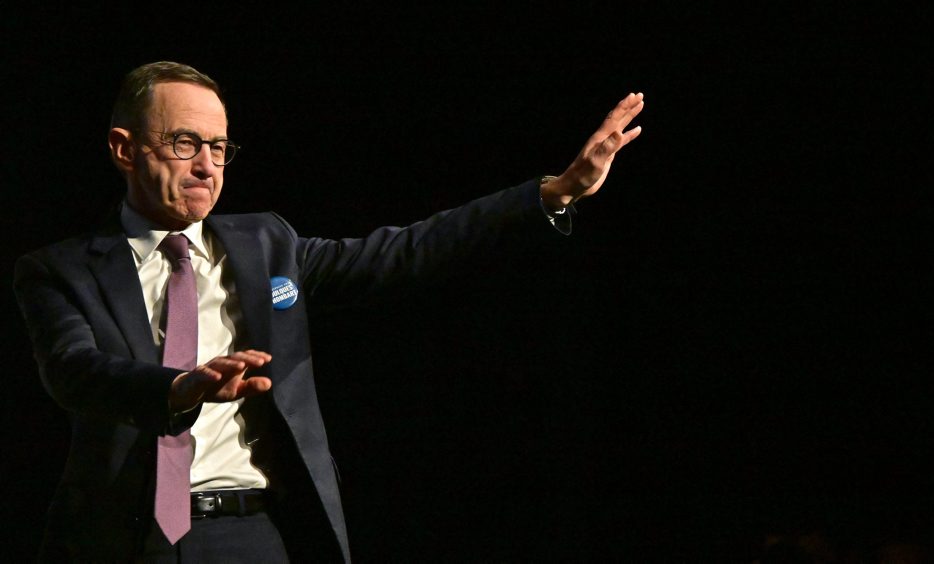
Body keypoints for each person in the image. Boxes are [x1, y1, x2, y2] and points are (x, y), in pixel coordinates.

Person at [13, 61, 644, 562]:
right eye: (184, 143)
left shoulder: (267, 245)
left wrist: (552, 194)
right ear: (124, 149)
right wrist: (178, 389)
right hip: (125, 538)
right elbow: (74, 370)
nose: (207, 165)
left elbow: (406, 251)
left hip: (253, 535)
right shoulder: (59, 270)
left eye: (219, 147)